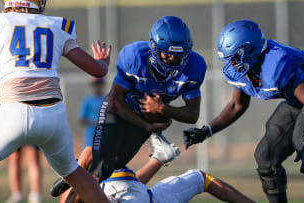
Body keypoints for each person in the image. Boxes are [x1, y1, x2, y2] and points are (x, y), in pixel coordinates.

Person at [50, 15, 207, 197]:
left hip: (146, 118)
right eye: (167, 53)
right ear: (154, 48)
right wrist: (147, 126)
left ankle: (77, 171)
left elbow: (193, 114)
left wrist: (164, 109)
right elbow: (115, 101)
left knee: (111, 167)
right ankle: (78, 176)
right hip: (118, 110)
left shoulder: (195, 67)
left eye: (179, 55)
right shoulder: (135, 56)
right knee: (100, 172)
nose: (173, 59)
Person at [0, 0, 112, 202]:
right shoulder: (56, 25)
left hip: (12, 113)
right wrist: (102, 63)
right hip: (54, 117)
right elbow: (97, 70)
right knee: (76, 174)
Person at [183, 19, 304, 203]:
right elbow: (236, 105)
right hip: (299, 98)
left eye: (235, 57)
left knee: (302, 141)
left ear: (251, 49)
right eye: (228, 58)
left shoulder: (277, 62)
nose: (231, 63)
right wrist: (207, 131)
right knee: (265, 156)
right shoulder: (238, 70)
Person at [60, 133, 256, 203]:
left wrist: (77, 174)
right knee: (199, 178)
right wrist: (77, 172)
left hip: (138, 195)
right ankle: (160, 157)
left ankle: (160, 157)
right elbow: (90, 153)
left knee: (199, 179)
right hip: (132, 193)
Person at [78, 77, 106, 148]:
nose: (97, 87)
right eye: (95, 84)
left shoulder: (107, 100)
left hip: (105, 135)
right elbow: (81, 119)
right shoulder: (87, 101)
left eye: (99, 84)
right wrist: (95, 123)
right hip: (91, 136)